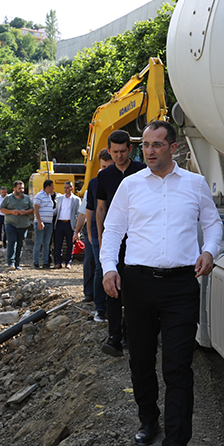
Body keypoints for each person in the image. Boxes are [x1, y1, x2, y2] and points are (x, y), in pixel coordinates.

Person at [101, 120, 223, 446]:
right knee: (140, 359)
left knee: (178, 366)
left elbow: (212, 223)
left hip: (181, 286)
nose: (149, 151)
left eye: (156, 144)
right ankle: (148, 420)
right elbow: (113, 229)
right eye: (146, 145)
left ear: (173, 148)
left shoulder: (195, 185)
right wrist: (109, 267)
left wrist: (210, 251)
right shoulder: (130, 185)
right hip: (137, 284)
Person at [95, 129, 145, 356]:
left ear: (130, 149)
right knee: (112, 287)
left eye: (122, 151)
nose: (118, 156)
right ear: (108, 150)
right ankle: (114, 334)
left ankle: (132, 332)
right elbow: (101, 209)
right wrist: (101, 237)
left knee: (134, 288)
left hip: (138, 240)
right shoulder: (104, 176)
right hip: (114, 240)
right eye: (114, 152)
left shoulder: (143, 172)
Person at [76, 149, 113, 322]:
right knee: (100, 267)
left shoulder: (125, 180)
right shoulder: (94, 183)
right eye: (103, 166)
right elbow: (90, 210)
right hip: (99, 232)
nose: (106, 169)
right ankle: (100, 308)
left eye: (109, 166)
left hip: (116, 230)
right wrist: (91, 234)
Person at [0, 180, 34, 270]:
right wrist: (12, 211)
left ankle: (17, 263)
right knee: (12, 242)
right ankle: (11, 263)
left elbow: (32, 209)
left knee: (20, 244)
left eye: (22, 188)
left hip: (23, 225)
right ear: (14, 189)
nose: (21, 190)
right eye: (19, 188)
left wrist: (25, 212)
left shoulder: (27, 198)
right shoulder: (8, 198)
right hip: (10, 223)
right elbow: (2, 209)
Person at [52, 181, 81, 268]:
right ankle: (58, 262)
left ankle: (68, 262)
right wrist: (47, 213)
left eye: (67, 187)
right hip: (60, 223)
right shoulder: (60, 198)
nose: (65, 189)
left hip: (70, 224)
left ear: (71, 188)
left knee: (70, 244)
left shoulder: (76, 200)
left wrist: (77, 226)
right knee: (58, 244)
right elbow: (57, 210)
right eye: (65, 187)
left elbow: (79, 213)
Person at [31, 179, 56, 268]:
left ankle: (45, 263)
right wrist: (39, 221)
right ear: (48, 187)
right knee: (38, 243)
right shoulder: (39, 196)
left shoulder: (49, 196)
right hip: (41, 223)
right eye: (52, 186)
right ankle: (36, 263)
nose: (53, 188)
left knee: (46, 244)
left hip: (49, 223)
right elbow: (36, 209)